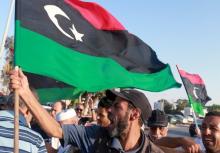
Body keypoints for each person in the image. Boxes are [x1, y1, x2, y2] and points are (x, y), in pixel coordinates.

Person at [10, 68, 201, 153]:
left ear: (134, 114)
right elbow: (56, 130)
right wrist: (26, 92)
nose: (109, 111)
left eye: (117, 107)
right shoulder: (96, 136)